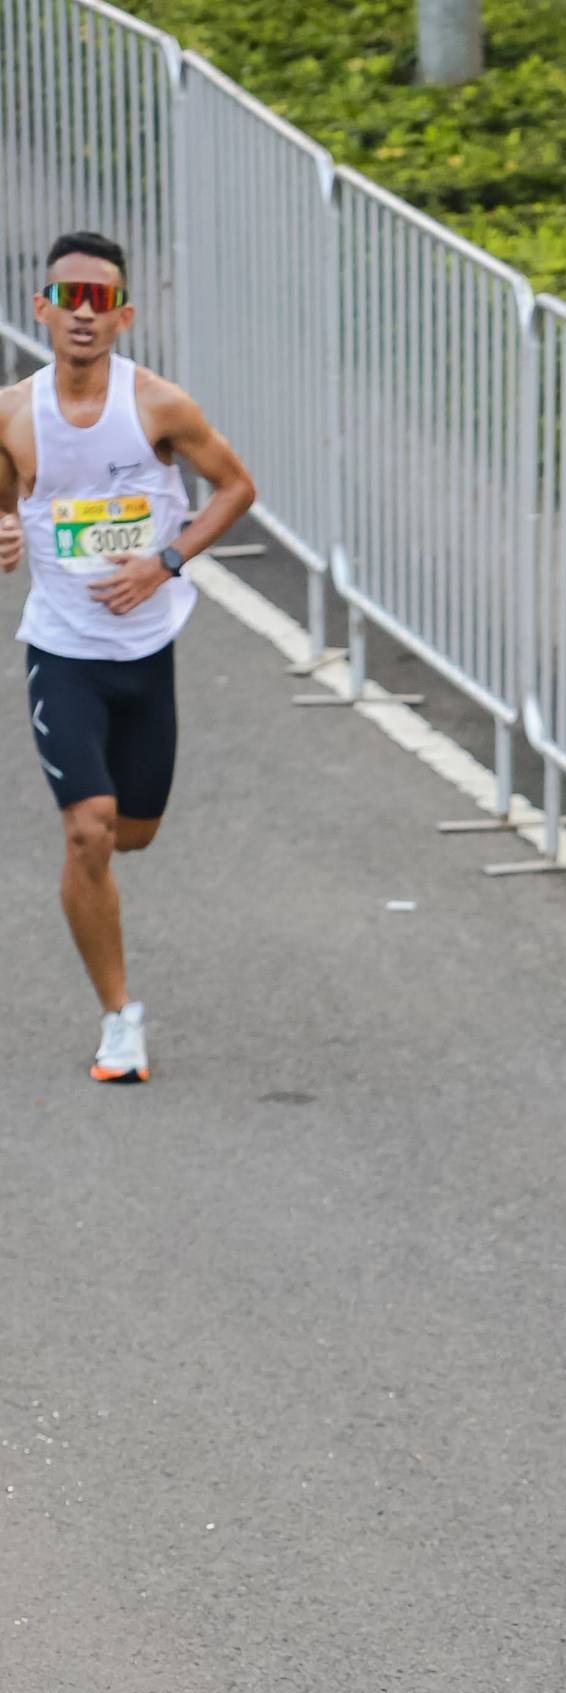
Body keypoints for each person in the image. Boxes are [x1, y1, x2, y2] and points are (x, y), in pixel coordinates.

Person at [0, 231, 255, 1083]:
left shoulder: (159, 406)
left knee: (134, 834)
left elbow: (237, 488)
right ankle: (119, 1018)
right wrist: (4, 529)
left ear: (124, 316)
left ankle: (101, 874)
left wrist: (165, 562)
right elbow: (4, 501)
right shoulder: (12, 412)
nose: (83, 313)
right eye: (68, 297)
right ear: (42, 309)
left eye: (100, 299)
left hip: (146, 651)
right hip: (62, 650)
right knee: (89, 830)